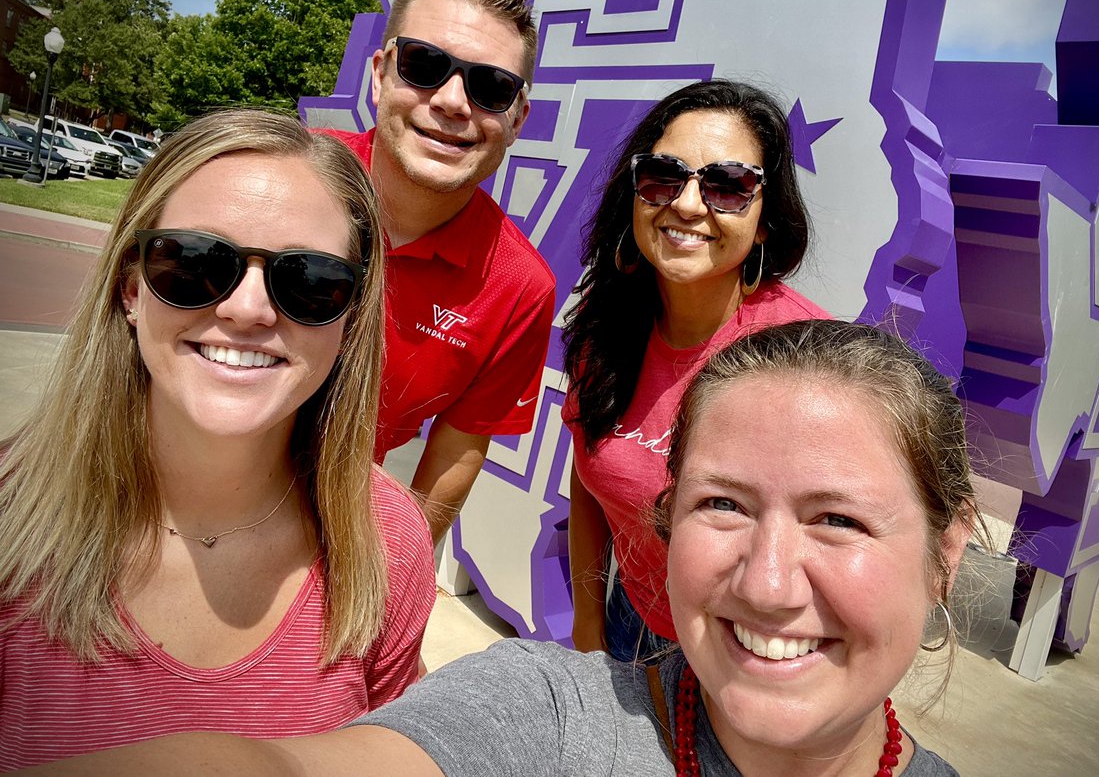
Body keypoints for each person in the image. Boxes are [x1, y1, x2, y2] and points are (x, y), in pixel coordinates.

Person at [30, 319, 979, 776]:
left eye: (839, 520)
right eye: (723, 504)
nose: (769, 584)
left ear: (947, 552)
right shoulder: (550, 721)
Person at [0, 109, 436, 770]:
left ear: (348, 319)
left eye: (310, 282)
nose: (247, 309)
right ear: (129, 289)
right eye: (196, 262)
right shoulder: (11, 514)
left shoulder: (389, 542)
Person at [562, 79, 830, 660]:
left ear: (764, 221)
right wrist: (588, 627)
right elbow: (589, 483)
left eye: (728, 185)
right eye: (664, 175)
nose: (686, 204)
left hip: (750, 647)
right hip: (628, 619)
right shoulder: (603, 326)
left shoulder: (804, 358)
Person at [317, 0, 555, 544]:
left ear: (517, 117)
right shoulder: (276, 179)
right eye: (424, 65)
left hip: (323, 528)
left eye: (491, 87)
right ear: (379, 75)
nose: (452, 101)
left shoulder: (521, 288)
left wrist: (398, 578)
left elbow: (457, 449)